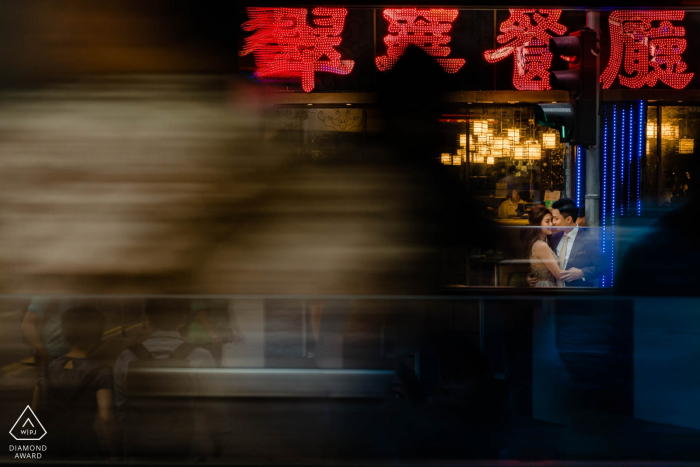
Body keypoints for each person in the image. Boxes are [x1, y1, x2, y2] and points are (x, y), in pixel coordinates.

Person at [113, 298, 226, 458]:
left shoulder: (127, 357)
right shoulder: (200, 356)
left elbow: (120, 407)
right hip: (187, 445)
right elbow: (214, 407)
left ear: (148, 319)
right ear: (183, 319)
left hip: (138, 446)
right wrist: (217, 440)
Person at [33, 306, 116, 457]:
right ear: (97, 335)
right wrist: (114, 452)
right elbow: (106, 418)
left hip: (48, 447)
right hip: (83, 448)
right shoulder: (101, 372)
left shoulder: (46, 369)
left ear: (66, 334)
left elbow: (34, 411)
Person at [527, 198, 605, 287]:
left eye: (556, 219)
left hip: (577, 294)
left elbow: (603, 267)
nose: (553, 223)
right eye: (551, 219)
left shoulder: (589, 240)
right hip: (554, 293)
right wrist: (534, 276)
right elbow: (543, 263)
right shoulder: (553, 237)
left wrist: (582, 273)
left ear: (568, 219)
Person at [520, 205, 565, 287]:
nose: (551, 224)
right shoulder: (541, 245)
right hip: (546, 286)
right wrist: (579, 272)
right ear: (538, 224)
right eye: (547, 221)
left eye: (551, 220)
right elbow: (558, 274)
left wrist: (530, 274)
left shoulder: (537, 242)